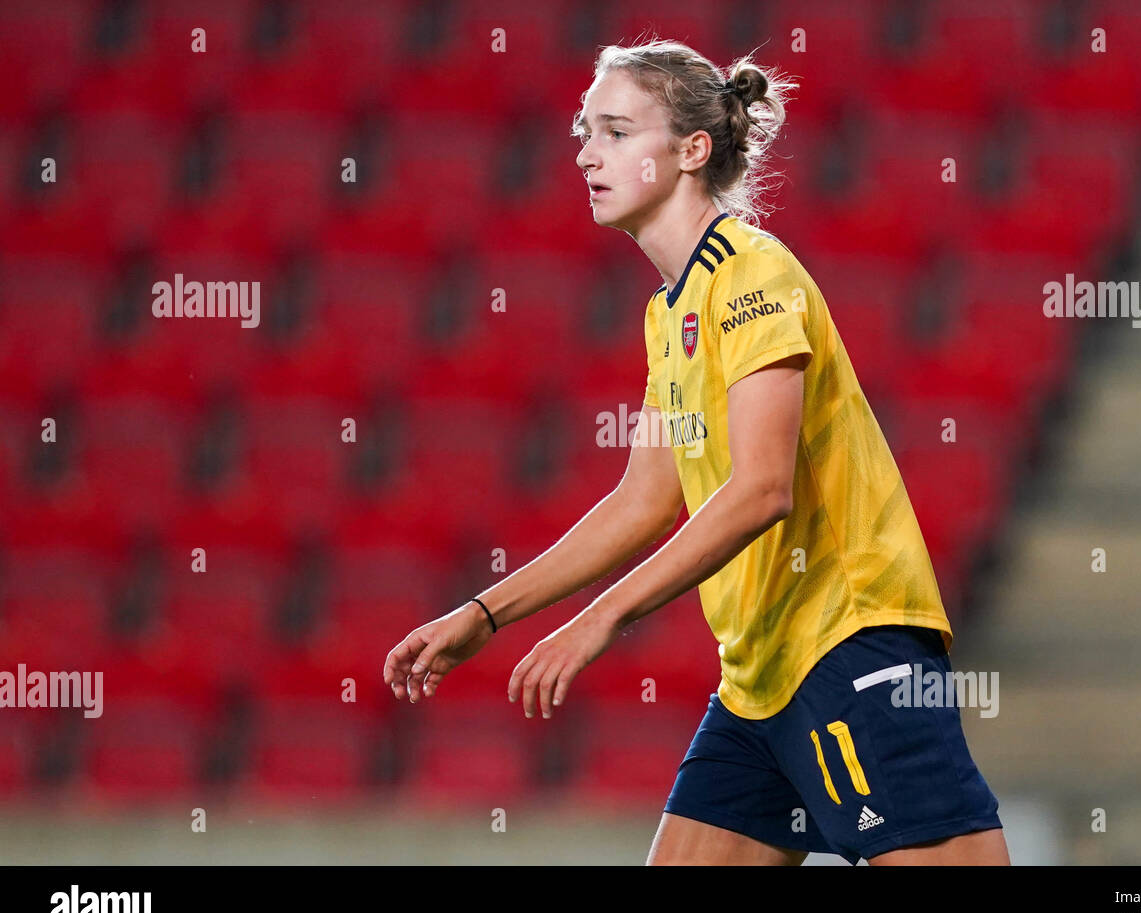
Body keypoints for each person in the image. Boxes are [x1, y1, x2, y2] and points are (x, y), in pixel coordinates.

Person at [383, 39, 1009, 866]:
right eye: (583, 131)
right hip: (759, 676)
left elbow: (761, 491)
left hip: (848, 639)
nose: (584, 152)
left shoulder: (753, 273)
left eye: (613, 131)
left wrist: (599, 619)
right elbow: (642, 501)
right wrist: (485, 614)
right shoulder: (669, 313)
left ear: (690, 150)